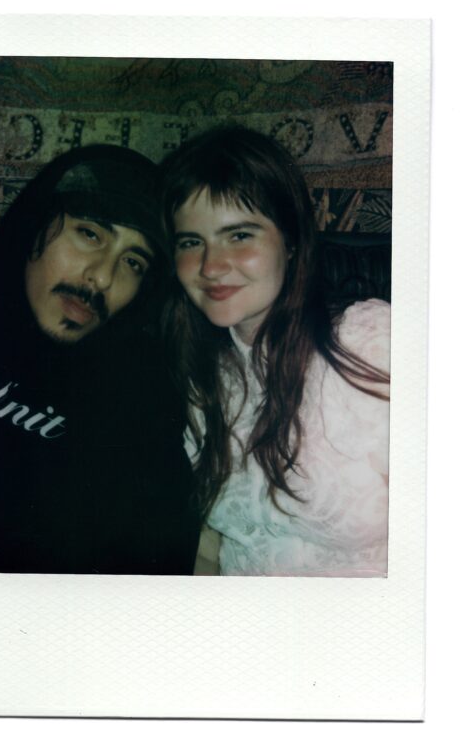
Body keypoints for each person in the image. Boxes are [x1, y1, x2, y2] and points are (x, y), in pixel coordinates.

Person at [0, 144, 197, 573]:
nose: (102, 277)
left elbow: (161, 555)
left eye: (133, 261)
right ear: (33, 224)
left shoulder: (144, 390)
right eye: (90, 234)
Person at [160, 125, 390, 576]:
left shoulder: (368, 345)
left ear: (290, 241)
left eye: (239, 235)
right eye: (191, 242)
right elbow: (210, 547)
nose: (211, 266)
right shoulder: (199, 377)